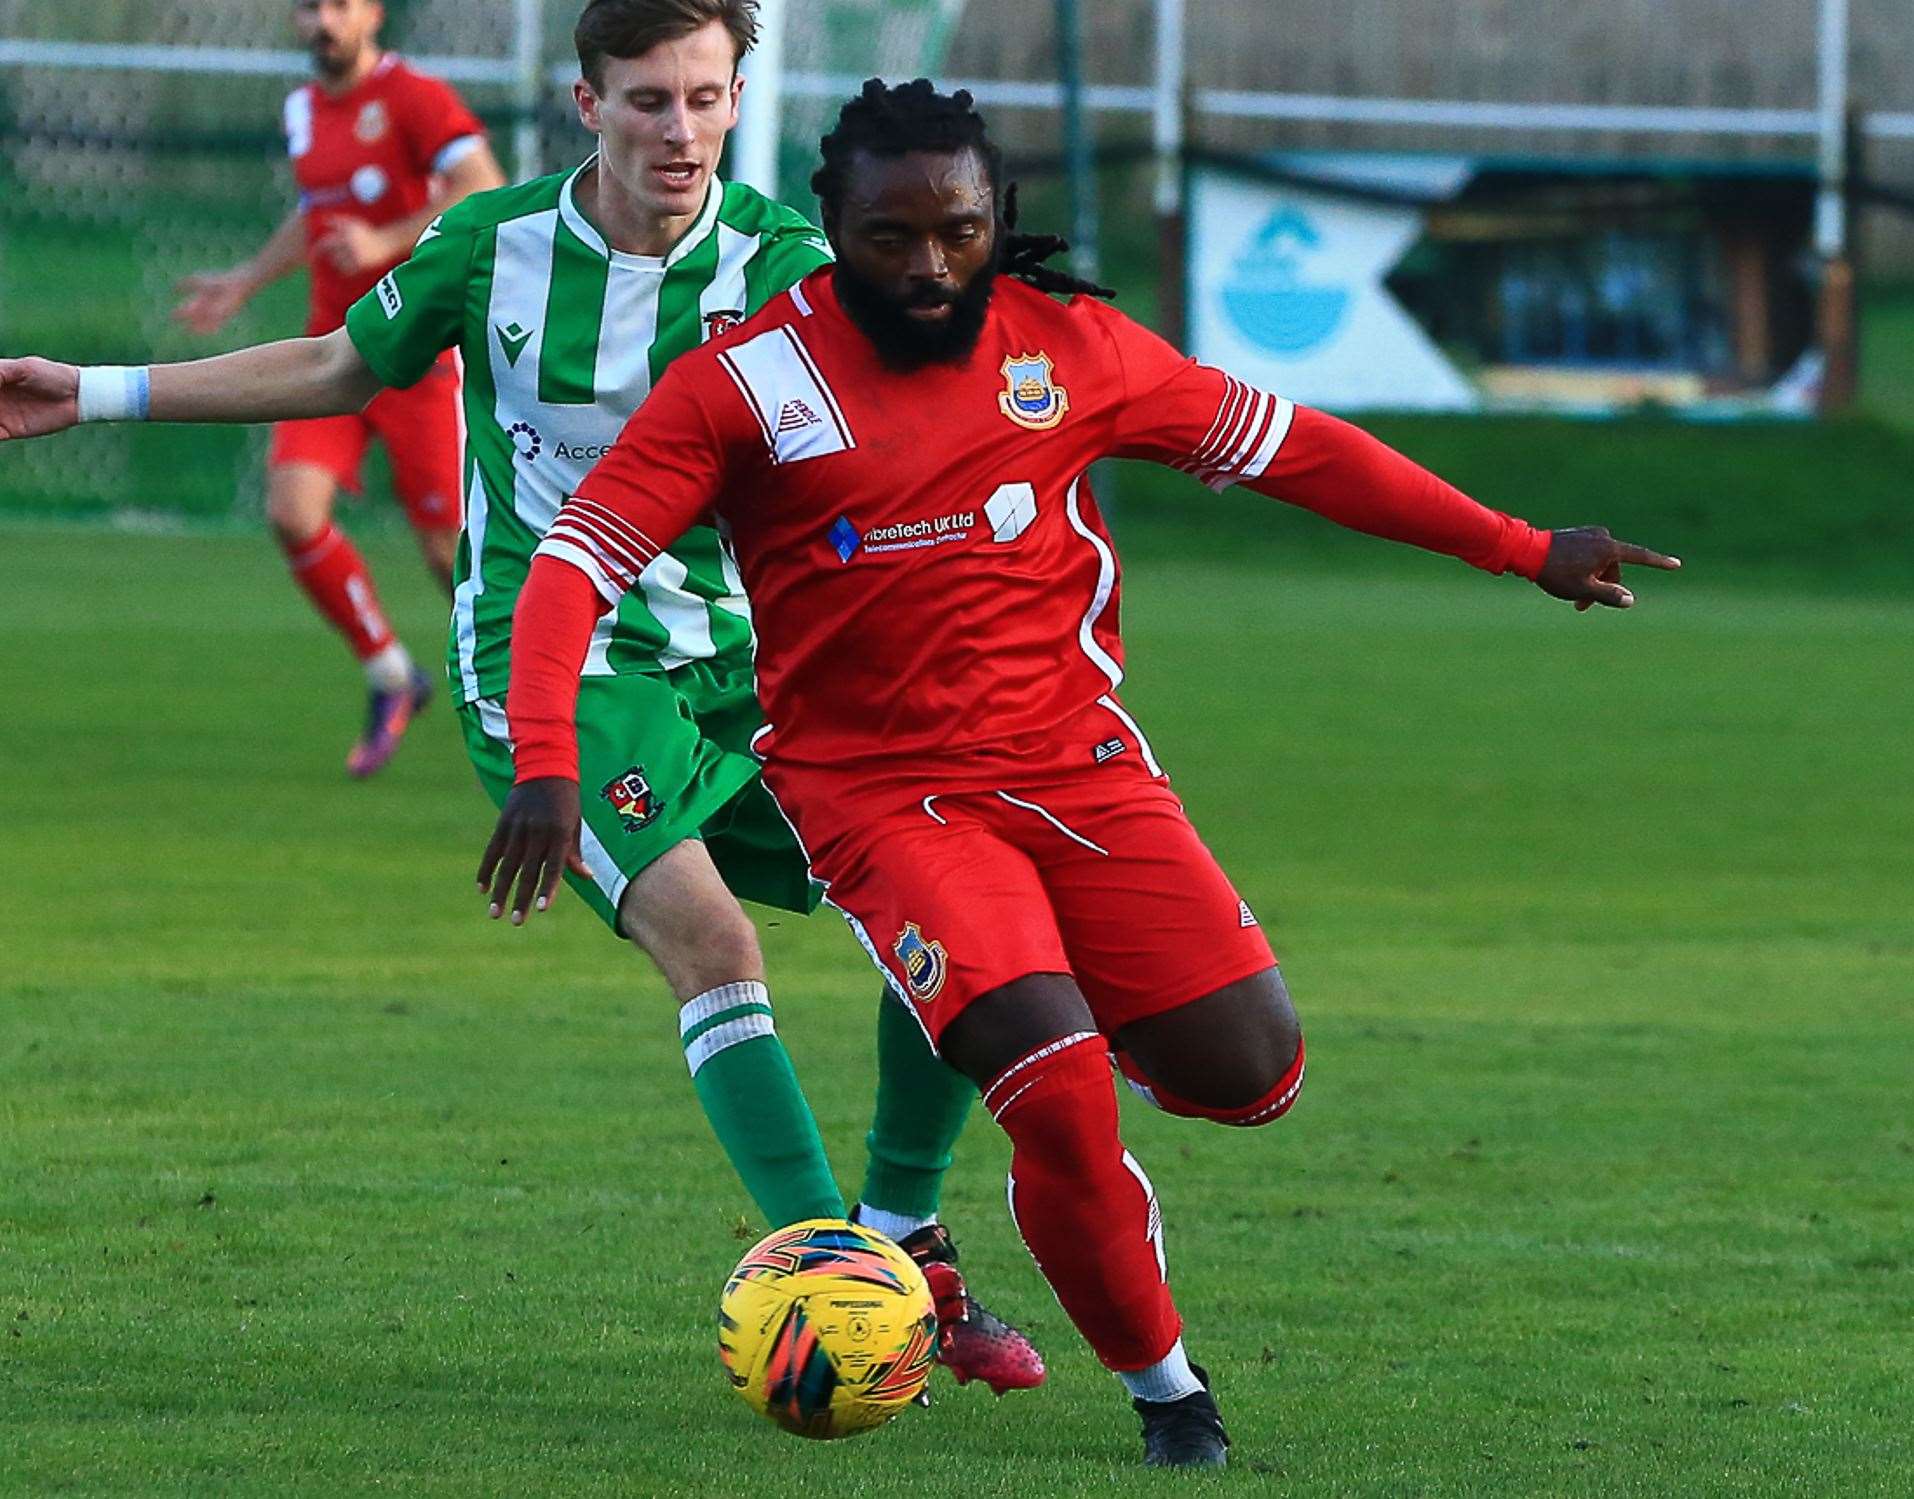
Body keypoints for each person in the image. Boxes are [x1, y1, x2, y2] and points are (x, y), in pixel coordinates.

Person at [483, 79, 1682, 1467]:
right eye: (889, 238)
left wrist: (1520, 544)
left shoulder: (1073, 347)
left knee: (1252, 1070)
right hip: (883, 795)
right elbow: (574, 562)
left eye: (958, 231)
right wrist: (546, 761)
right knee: (1055, 1087)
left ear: (997, 219)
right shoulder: (743, 383)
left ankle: (1031, 1002)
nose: (928, 269)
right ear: (831, 225)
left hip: (1077, 765)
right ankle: (1170, 1389)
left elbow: (1295, 447)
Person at [0, 8, 1041, 1395]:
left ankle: (912, 1236)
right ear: (585, 103)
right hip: (556, 672)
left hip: (748, 673)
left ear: (739, 101)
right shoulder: (492, 245)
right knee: (716, 945)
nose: (681, 132)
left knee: (946, 910)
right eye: (650, 102)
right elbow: (336, 364)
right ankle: (833, 1277)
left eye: (706, 100)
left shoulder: (787, 266)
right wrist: (99, 389)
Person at [172, 0, 507, 777]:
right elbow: (316, 214)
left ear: (373, 14)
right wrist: (246, 282)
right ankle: (393, 675)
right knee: (291, 512)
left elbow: (482, 185)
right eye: (308, 8)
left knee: (450, 556)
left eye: (339, 6)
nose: (322, 21)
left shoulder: (415, 96)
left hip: (420, 358)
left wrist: (386, 241)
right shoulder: (301, 108)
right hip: (333, 357)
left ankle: (530, 708)